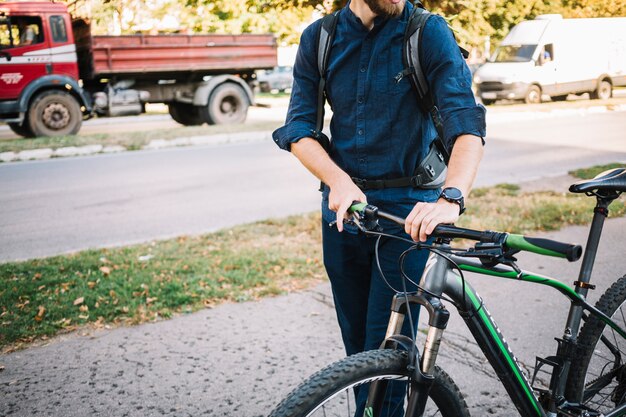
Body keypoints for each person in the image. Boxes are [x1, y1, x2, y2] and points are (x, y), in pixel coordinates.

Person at [272, 0, 486, 413]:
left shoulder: (427, 31)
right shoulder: (321, 38)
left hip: (409, 216)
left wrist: (451, 197)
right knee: (358, 354)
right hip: (344, 213)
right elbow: (299, 127)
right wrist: (338, 181)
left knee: (387, 352)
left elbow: (466, 122)